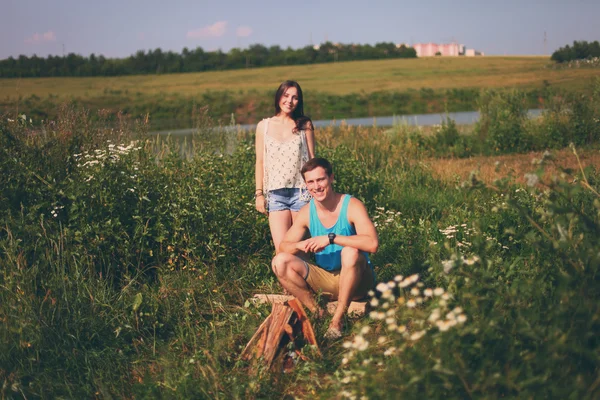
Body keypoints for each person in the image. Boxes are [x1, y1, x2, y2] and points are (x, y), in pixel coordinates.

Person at [272, 157, 378, 339]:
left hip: (358, 280)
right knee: (279, 262)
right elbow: (283, 247)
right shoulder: (307, 211)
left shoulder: (352, 205)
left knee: (350, 252)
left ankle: (337, 320)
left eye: (320, 179)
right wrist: (300, 245)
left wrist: (331, 239)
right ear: (306, 185)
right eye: (310, 182)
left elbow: (372, 244)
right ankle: (317, 312)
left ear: (331, 178)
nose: (316, 186)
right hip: (326, 279)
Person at [255, 80, 316, 253]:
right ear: (279, 97)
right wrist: (259, 194)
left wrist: (317, 190)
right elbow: (260, 161)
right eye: (286, 95)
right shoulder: (263, 126)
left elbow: (312, 161)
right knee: (282, 251)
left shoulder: (305, 125)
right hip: (275, 194)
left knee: (301, 251)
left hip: (302, 193)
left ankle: (310, 280)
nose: (290, 101)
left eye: (295, 98)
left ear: (299, 102)